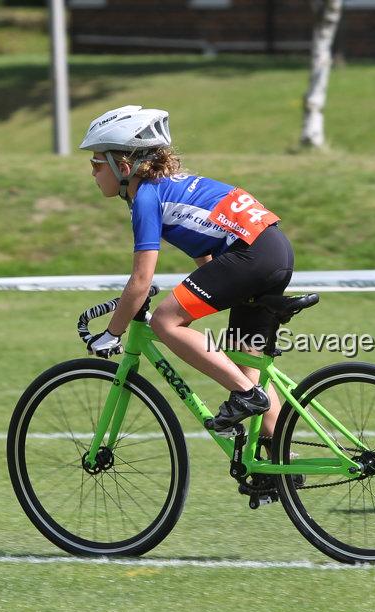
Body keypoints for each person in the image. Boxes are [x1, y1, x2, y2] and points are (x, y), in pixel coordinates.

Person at [79, 105, 294, 436]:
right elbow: (207, 263)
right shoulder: (174, 187)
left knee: (167, 321)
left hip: (252, 255)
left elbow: (140, 281)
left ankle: (246, 396)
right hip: (272, 249)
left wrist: (112, 333)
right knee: (246, 362)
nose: (92, 172)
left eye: (95, 163)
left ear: (123, 166)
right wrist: (183, 319)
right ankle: (279, 469)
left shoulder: (148, 198)